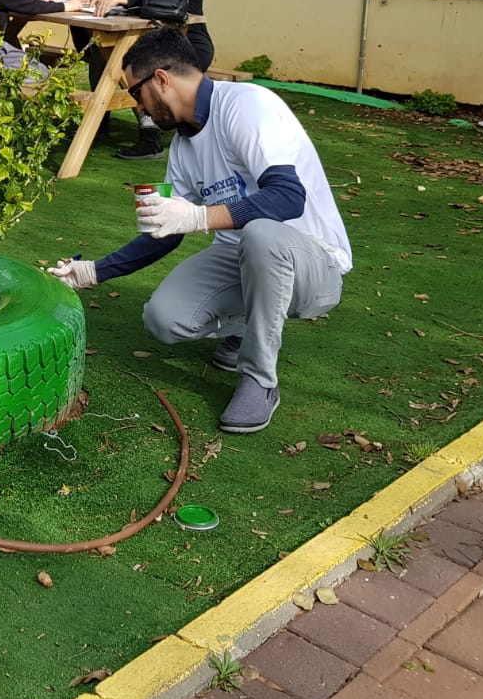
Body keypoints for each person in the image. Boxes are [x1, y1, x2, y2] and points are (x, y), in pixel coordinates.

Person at [49, 29, 351, 434]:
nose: (136, 106)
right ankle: (246, 326)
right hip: (243, 257)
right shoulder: (183, 146)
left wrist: (198, 217)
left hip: (311, 265)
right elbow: (166, 232)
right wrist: (95, 271)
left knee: (261, 233)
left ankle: (260, 380)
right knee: (164, 319)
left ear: (161, 79)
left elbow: (287, 199)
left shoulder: (248, 106)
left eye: (135, 93)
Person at [89, 0, 213, 160]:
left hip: (187, 48)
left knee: (146, 73)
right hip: (158, 44)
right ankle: (98, 120)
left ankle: (150, 138)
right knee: (99, 53)